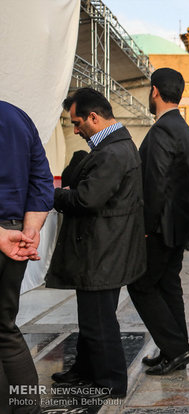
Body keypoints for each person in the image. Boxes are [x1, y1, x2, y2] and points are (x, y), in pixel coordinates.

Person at [46, 88, 146, 398]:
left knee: (100, 322)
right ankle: (85, 372)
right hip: (102, 249)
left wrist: (51, 195)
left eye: (77, 123)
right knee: (91, 319)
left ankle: (111, 384)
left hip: (103, 251)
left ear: (94, 117)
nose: (75, 130)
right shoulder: (112, 147)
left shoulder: (113, 152)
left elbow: (87, 198)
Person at [127, 68, 189, 375]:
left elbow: (155, 182)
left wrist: (143, 226)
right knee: (168, 287)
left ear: (154, 90)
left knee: (140, 285)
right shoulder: (181, 126)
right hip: (177, 225)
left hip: (160, 227)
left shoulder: (162, 129)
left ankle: (176, 348)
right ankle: (174, 350)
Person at [0, 100, 54, 413]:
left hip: (8, 236)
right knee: (6, 327)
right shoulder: (17, 116)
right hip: (16, 235)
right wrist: (30, 230)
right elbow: (41, 179)